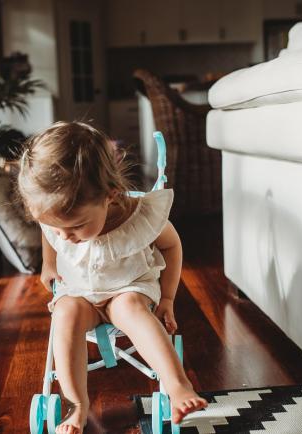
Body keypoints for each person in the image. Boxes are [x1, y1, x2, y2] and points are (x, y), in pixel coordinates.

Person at [17, 121, 207, 434]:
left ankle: (177, 385)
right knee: (64, 313)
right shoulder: (58, 222)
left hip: (128, 286)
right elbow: (48, 231)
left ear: (110, 195)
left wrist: (169, 297)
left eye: (77, 226)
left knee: (129, 307)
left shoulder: (138, 216)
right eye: (57, 228)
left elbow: (172, 246)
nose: (66, 236)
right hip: (79, 291)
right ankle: (76, 405)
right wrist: (48, 263)